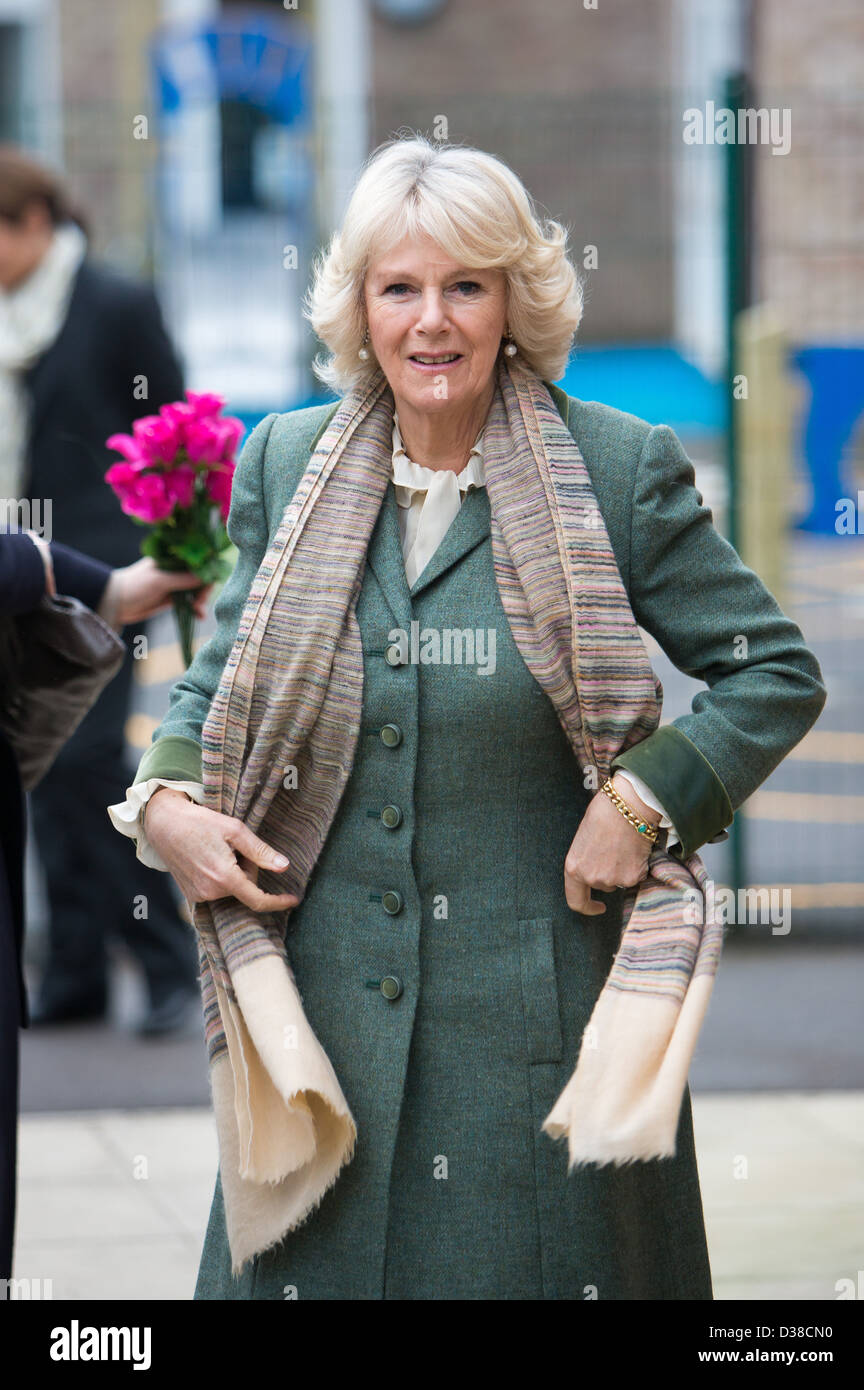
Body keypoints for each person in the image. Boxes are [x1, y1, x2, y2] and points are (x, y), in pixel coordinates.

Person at [109, 137, 827, 1300]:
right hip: (321, 1038)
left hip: (537, 1044)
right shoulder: (285, 460)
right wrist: (170, 801)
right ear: (360, 306)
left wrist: (644, 803)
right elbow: (221, 677)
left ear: (513, 300)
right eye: (399, 287)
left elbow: (772, 673)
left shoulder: (616, 466)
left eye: (465, 286)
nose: (430, 321)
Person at [0, 144, 199, 1032]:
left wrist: (185, 547)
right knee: (36, 768)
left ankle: (163, 966)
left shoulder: (113, 302)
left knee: (82, 762)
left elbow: (173, 427)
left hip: (109, 569)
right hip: (15, 567)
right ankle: (77, 973)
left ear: (35, 223)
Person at [0, 529, 206, 1286]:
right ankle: (80, 972)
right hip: (65, 575)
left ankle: (156, 967)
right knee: (66, 793)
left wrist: (88, 576)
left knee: (84, 778)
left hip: (81, 569)